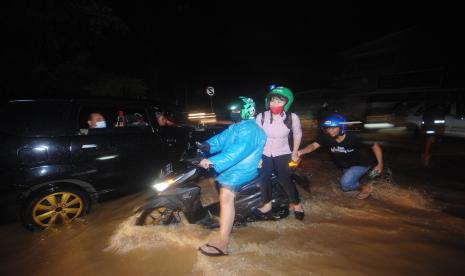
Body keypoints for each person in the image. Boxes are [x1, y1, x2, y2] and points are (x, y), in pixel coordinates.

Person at [198, 96, 266, 256]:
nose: (233, 113)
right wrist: (205, 146)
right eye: (231, 111)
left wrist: (212, 161)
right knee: (214, 183)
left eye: (236, 110)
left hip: (242, 170)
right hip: (232, 168)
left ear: (246, 111)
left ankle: (223, 242)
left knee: (225, 198)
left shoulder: (251, 129)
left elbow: (237, 151)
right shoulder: (237, 126)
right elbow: (221, 140)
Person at [298, 113, 384, 199]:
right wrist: (300, 152)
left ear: (341, 127)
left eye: (334, 128)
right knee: (345, 188)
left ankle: (365, 188)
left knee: (345, 182)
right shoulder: (326, 138)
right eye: (328, 128)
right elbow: (312, 146)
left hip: (361, 163)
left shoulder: (354, 137)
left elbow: (375, 146)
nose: (330, 131)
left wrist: (380, 164)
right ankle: (367, 185)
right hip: (346, 166)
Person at [253, 86, 305, 220]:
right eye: (272, 100)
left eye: (279, 101)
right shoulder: (261, 116)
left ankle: (297, 204)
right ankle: (267, 204)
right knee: (264, 177)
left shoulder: (292, 118)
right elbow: (257, 138)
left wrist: (294, 153)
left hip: (283, 151)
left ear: (286, 103)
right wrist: (257, 156)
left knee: (285, 178)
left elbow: (297, 134)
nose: (274, 104)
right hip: (264, 152)